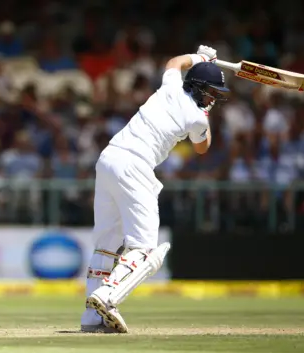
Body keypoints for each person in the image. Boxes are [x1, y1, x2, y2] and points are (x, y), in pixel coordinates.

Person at [82, 45, 229, 333]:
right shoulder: (198, 117)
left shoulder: (170, 86)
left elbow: (174, 61)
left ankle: (92, 318)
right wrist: (206, 115)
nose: (212, 100)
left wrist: (199, 57)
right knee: (146, 250)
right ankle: (107, 295)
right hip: (135, 166)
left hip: (108, 158)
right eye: (210, 93)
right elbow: (203, 147)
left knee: (106, 245)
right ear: (199, 88)